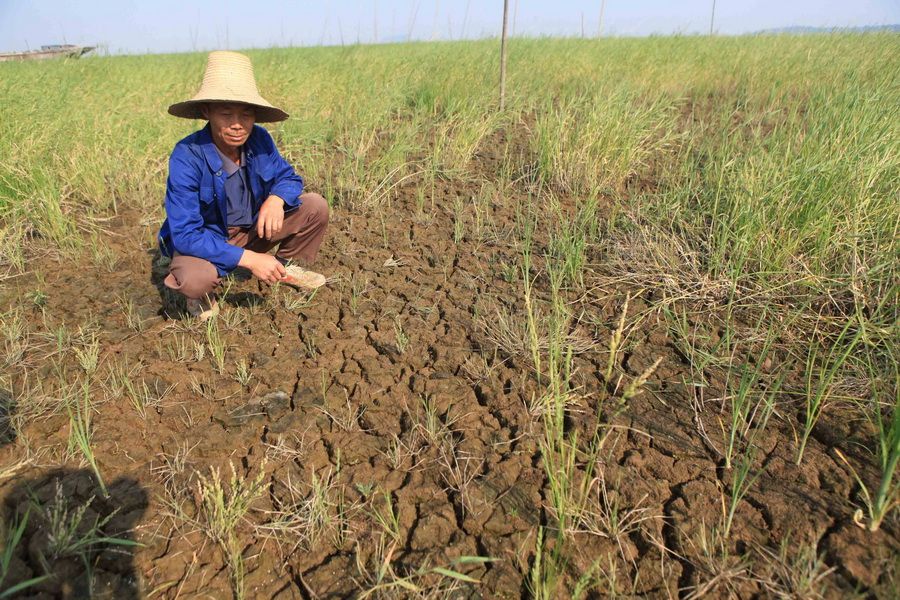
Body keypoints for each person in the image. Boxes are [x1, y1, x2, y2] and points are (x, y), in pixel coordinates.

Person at [158, 51, 329, 320]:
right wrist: (250, 259)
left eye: (246, 115)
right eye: (226, 114)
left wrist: (276, 200)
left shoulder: (259, 139)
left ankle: (284, 268)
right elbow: (186, 235)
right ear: (207, 111)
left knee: (315, 206)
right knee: (193, 279)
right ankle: (203, 296)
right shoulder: (187, 155)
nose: (237, 125)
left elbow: (289, 178)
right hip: (208, 240)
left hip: (251, 231)